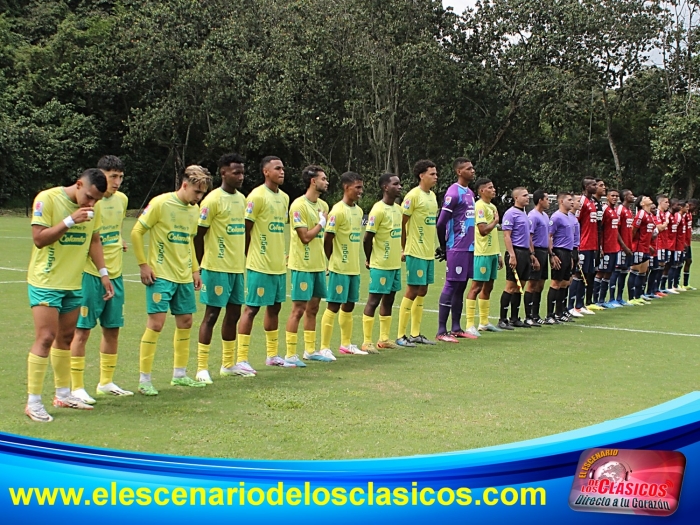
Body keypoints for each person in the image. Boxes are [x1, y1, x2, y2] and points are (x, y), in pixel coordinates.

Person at [25, 168, 112, 422]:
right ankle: (33, 402)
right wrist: (70, 220)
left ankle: (63, 394)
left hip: (74, 282)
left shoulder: (93, 210)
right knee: (45, 337)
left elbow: (94, 241)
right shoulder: (47, 199)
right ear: (77, 184)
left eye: (97, 200)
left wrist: (104, 274)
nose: (91, 203)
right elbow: (39, 239)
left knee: (65, 337)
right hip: (46, 281)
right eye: (89, 197)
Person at [132, 165, 212, 395]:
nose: (199, 198)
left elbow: (188, 241)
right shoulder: (160, 203)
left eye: (202, 194)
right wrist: (143, 264)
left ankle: (180, 375)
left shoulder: (193, 210)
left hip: (184, 275)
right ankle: (144, 379)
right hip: (160, 275)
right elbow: (137, 232)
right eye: (196, 192)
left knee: (186, 321)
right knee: (156, 324)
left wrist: (195, 270)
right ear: (184, 185)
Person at [69, 156, 131, 404]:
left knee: (112, 329)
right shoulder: (87, 201)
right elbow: (87, 237)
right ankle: (76, 387)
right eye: (112, 176)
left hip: (116, 274)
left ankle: (106, 382)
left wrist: (119, 242)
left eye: (120, 176)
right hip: (91, 274)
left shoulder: (123, 200)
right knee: (82, 331)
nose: (117, 182)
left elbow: (114, 230)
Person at [193, 153, 250, 383]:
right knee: (212, 315)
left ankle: (228, 364)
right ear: (223, 173)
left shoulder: (242, 199)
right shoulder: (212, 200)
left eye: (242, 172)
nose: (241, 177)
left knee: (234, 314)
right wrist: (197, 266)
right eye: (236, 172)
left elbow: (245, 232)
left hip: (237, 269)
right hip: (215, 268)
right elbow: (198, 235)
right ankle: (201, 367)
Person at [235, 156, 292, 372]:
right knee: (251, 309)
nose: (282, 171)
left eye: (283, 168)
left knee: (275, 308)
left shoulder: (285, 197)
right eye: (277, 168)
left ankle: (272, 355)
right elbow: (246, 228)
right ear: (266, 172)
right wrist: (250, 254)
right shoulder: (257, 196)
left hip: (278, 265)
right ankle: (241, 358)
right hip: (259, 265)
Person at [286, 166, 333, 364]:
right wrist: (321, 224)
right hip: (302, 265)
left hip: (318, 265)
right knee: (298, 309)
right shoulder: (298, 206)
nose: (326, 182)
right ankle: (290, 355)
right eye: (323, 179)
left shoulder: (323, 205)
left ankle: (310, 350)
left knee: (313, 308)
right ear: (313, 181)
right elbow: (305, 237)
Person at [320, 171, 365, 357]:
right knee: (333, 305)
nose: (361, 191)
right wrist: (332, 261)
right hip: (340, 267)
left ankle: (346, 344)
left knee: (349, 305)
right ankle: (324, 347)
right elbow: (327, 239)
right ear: (347, 188)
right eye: (358, 187)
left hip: (354, 268)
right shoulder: (337, 211)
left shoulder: (359, 211)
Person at [396, 160, 439, 346]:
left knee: (423, 290)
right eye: (432, 174)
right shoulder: (413, 196)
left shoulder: (433, 196)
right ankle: (400, 335)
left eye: (436, 174)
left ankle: (415, 333)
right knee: (412, 289)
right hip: (415, 250)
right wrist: (403, 248)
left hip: (428, 252)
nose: (435, 177)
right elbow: (402, 223)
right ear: (421, 175)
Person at [435, 158, 477, 342]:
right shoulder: (453, 192)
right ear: (459, 171)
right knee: (451, 284)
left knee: (461, 285)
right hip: (456, 246)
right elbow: (441, 222)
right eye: (468, 168)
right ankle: (441, 330)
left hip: (469, 247)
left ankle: (456, 327)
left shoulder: (470, 192)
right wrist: (444, 246)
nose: (472, 170)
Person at [362, 173, 404, 352]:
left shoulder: (398, 209)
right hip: (380, 264)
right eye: (396, 184)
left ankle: (384, 339)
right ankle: (366, 341)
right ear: (386, 187)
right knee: (373, 301)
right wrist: (369, 258)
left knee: (390, 299)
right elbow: (367, 238)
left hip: (395, 264)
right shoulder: (378, 210)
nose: (400, 187)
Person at [464, 178, 503, 335]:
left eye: (493, 187)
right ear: (481, 191)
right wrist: (495, 221)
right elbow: (483, 230)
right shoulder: (479, 206)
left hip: (492, 253)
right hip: (482, 253)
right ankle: (469, 324)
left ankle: (484, 322)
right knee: (476, 287)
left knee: (489, 287)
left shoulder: (492, 206)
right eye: (490, 187)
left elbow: (493, 233)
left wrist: (499, 253)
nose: (493, 190)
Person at [499, 187, 539, 329]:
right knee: (510, 286)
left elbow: (528, 236)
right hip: (515, 251)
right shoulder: (510, 214)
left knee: (519, 286)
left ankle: (514, 318)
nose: (527, 198)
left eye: (528, 195)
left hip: (525, 253)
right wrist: (512, 255)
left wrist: (532, 254)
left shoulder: (525, 214)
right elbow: (506, 236)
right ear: (516, 198)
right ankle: (502, 319)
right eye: (524, 195)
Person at [545, 193, 575, 324]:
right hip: (559, 251)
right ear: (561, 201)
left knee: (565, 282)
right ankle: (549, 315)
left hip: (568, 253)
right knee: (555, 283)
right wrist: (552, 255)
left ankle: (560, 312)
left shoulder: (569, 217)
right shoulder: (556, 217)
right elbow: (549, 236)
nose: (572, 202)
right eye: (569, 200)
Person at [572, 178, 600, 314]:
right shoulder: (582, 201)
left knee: (587, 274)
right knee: (579, 274)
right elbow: (575, 221)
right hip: (583, 244)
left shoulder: (592, 202)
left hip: (591, 245)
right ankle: (573, 305)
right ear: (585, 186)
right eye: (593, 185)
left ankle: (580, 304)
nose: (595, 187)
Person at [594, 188, 622, 308]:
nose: (615, 198)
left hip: (613, 247)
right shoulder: (604, 209)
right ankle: (595, 300)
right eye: (613, 195)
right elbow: (599, 228)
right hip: (605, 247)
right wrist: (600, 246)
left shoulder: (614, 211)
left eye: (617, 196)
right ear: (608, 197)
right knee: (600, 273)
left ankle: (602, 300)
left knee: (608, 274)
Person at [525, 189, 550, 326]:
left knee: (540, 284)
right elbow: (530, 236)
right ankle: (528, 316)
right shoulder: (533, 216)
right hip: (536, 251)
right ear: (540, 200)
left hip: (544, 251)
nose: (548, 201)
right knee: (532, 284)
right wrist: (532, 254)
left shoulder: (545, 216)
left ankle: (536, 314)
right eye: (546, 198)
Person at [610, 189, 635, 306]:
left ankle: (619, 297)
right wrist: (623, 246)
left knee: (624, 272)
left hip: (628, 247)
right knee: (616, 271)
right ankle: (611, 298)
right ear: (625, 197)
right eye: (630, 195)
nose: (633, 196)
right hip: (620, 248)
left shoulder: (629, 211)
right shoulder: (620, 210)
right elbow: (616, 230)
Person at [628, 195, 655, 304]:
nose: (648, 198)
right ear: (642, 203)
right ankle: (631, 298)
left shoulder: (650, 215)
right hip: (638, 247)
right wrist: (632, 244)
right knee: (634, 271)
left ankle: (638, 296)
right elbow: (634, 231)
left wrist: (648, 245)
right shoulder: (641, 214)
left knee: (643, 272)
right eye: (645, 198)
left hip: (645, 248)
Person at [661, 198, 682, 294]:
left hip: (673, 245)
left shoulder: (674, 216)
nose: (679, 206)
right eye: (677, 204)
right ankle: (663, 286)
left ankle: (668, 286)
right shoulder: (668, 215)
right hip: (668, 245)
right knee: (666, 265)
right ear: (672, 205)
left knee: (670, 265)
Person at [682, 199, 697, 290]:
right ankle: (674, 284)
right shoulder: (683, 215)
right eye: (694, 206)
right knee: (678, 263)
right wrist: (683, 241)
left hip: (688, 243)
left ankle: (685, 284)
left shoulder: (690, 214)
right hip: (683, 243)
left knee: (689, 261)